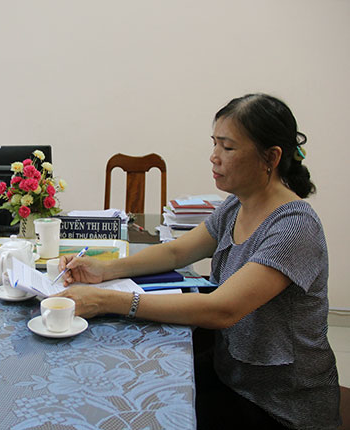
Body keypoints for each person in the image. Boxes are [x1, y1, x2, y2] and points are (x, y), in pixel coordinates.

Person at [56, 94, 340, 429]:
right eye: (215, 144)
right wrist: (104, 269)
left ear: (271, 157)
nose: (214, 157)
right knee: (122, 386)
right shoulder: (237, 205)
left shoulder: (294, 226)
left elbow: (222, 310)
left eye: (228, 147)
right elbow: (177, 252)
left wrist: (108, 301)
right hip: (232, 373)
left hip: (279, 403)